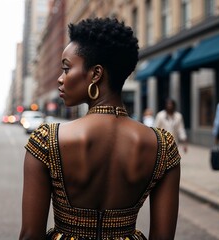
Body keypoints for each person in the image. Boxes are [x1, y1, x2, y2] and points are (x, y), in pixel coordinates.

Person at [20, 18, 181, 240]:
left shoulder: (47, 140)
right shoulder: (164, 146)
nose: (60, 79)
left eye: (66, 69)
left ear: (96, 74)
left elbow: (30, 236)